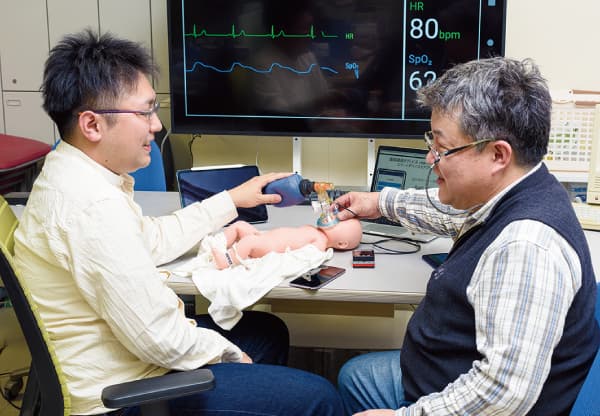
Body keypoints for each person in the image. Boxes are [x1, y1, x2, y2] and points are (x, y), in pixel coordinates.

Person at [13, 29, 345, 416]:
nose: (156, 125)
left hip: (123, 358)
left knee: (268, 332)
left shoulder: (74, 174)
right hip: (122, 394)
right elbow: (158, 338)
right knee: (320, 397)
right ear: (92, 125)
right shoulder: (91, 207)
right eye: (144, 112)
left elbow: (150, 240)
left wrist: (231, 201)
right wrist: (230, 355)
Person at [334, 57, 600, 415]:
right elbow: (455, 213)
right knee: (355, 376)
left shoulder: (526, 247)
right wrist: (379, 202)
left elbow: (503, 393)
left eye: (442, 149)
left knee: (354, 381)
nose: (430, 159)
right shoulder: (523, 188)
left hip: (470, 398)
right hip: (442, 371)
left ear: (497, 154)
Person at [211, 218, 362, 269]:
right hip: (264, 237)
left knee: (249, 241)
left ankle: (227, 261)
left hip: (269, 248)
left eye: (338, 222)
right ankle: (220, 243)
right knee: (240, 225)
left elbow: (305, 258)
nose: (334, 218)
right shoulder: (316, 230)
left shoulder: (321, 243)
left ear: (341, 244)